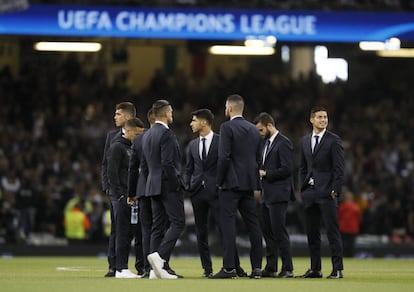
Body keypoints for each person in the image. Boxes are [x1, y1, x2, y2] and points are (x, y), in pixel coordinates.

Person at [185, 108, 245, 278]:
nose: (191, 124)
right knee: (200, 231)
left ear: (204, 122)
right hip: (197, 193)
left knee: (225, 230)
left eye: (194, 120)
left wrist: (221, 185)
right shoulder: (192, 144)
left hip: (218, 192)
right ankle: (207, 268)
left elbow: (228, 164)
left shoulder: (221, 141)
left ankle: (234, 266)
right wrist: (190, 185)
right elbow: (189, 168)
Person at [212, 94, 263, 279]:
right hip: (249, 183)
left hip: (230, 184)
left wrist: (219, 180)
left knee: (228, 224)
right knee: (253, 225)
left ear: (230, 109)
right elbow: (258, 158)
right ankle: (257, 268)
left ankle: (229, 268)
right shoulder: (254, 129)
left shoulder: (226, 127)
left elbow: (224, 157)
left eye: (226, 107)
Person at [297, 106, 345, 279]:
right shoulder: (304, 140)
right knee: (312, 233)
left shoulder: (334, 140)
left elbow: (339, 169)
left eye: (325, 117)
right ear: (312, 120)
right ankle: (315, 269)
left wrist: (335, 191)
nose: (323, 120)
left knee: (332, 232)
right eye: (320, 117)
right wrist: (302, 188)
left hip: (327, 194)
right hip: (309, 193)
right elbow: (302, 168)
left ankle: (337, 269)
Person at [141, 100, 186, 279]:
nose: (172, 115)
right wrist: (176, 183)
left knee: (157, 227)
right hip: (167, 185)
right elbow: (168, 163)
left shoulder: (147, 134)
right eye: (171, 112)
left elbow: (144, 166)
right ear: (166, 114)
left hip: (152, 185)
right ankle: (160, 259)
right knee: (178, 223)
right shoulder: (167, 134)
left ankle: (154, 271)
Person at [253, 112, 295, 278]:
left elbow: (287, 169)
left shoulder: (283, 143)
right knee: (268, 233)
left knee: (279, 232)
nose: (259, 133)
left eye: (261, 130)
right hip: (266, 194)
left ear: (269, 125)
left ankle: (288, 268)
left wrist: (266, 173)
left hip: (279, 194)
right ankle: (271, 267)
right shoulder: (266, 144)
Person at [107, 117, 145, 278]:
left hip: (135, 198)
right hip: (124, 197)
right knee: (123, 233)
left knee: (134, 233)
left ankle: (133, 267)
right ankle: (121, 268)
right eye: (137, 134)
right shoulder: (117, 147)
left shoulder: (135, 148)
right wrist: (120, 195)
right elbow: (112, 173)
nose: (139, 137)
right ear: (128, 130)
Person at [102, 102, 136, 277]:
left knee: (130, 229)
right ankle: (113, 265)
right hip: (117, 191)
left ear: (128, 117)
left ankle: (127, 265)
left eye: (118, 114)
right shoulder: (112, 137)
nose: (115, 117)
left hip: (133, 191)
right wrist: (107, 186)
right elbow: (106, 165)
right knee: (118, 228)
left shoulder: (137, 134)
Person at [127, 108, 156, 278]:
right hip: (160, 191)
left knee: (146, 230)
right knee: (159, 229)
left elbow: (133, 170)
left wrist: (132, 193)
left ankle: (147, 268)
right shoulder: (165, 136)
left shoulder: (138, 141)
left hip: (143, 190)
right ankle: (161, 266)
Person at [338, 190, 361, 257]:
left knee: (347, 246)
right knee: (347, 245)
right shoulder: (355, 206)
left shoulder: (344, 206)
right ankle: (347, 256)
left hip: (348, 229)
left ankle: (347, 257)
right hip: (347, 229)